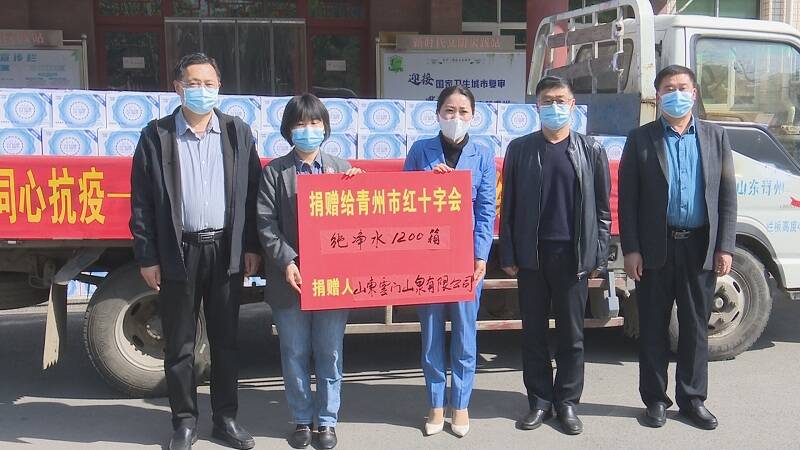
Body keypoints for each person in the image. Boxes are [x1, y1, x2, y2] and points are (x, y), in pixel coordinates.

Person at [130, 52, 261, 450]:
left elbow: (253, 193)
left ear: (219, 88)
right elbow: (141, 202)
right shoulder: (156, 136)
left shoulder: (237, 132)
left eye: (209, 83)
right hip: (178, 251)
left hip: (225, 251)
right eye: (193, 83)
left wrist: (251, 245)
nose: (201, 90)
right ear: (178, 88)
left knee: (225, 341)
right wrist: (147, 256)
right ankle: (184, 422)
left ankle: (226, 419)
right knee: (180, 344)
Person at [618, 65, 736, 430]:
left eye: (682, 87)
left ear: (694, 93)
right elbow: (628, 200)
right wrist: (631, 249)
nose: (676, 93)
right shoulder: (641, 138)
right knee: (654, 327)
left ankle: (692, 399)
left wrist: (725, 246)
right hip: (655, 248)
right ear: (658, 96)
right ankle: (655, 400)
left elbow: (727, 196)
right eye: (668, 88)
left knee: (695, 327)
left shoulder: (716, 137)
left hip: (699, 246)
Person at [499, 76, 611, 435]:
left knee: (571, 335)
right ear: (537, 107)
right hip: (532, 255)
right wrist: (509, 252)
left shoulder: (591, 150)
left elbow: (603, 210)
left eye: (561, 100)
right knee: (533, 333)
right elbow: (509, 206)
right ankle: (539, 401)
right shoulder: (520, 149)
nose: (555, 107)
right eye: (548, 101)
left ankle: (567, 403)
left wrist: (598, 254)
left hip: (572, 256)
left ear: (573, 105)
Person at [256, 93, 363, 450]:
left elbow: (359, 224)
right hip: (290, 279)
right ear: (288, 129)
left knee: (330, 353)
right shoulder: (274, 172)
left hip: (333, 280)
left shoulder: (341, 168)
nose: (308, 129)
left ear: (325, 127)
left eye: (315, 122)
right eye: (300, 123)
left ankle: (327, 421)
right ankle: (302, 419)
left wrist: (360, 188)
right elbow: (266, 224)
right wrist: (287, 261)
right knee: (294, 352)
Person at [403, 85, 496, 438]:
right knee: (431, 334)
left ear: (473, 116)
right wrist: (428, 186)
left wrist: (480, 255)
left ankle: (461, 404)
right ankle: (435, 404)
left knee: (465, 334)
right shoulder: (420, 151)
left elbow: (486, 210)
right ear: (437, 114)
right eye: (449, 111)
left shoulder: (483, 155)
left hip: (465, 257)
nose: (456, 117)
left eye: (463, 111)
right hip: (428, 256)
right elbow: (401, 201)